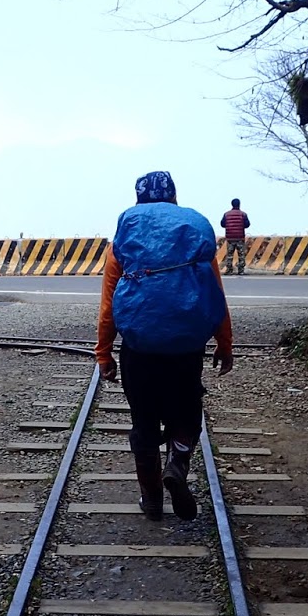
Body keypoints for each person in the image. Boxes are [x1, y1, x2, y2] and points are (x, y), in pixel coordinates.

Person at [95, 171, 234, 521]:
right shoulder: (192, 239)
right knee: (186, 413)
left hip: (139, 348)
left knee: (143, 422)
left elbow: (109, 306)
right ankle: (177, 463)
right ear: (173, 197)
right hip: (186, 348)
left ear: (138, 199)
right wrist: (224, 343)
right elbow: (215, 295)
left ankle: (152, 499)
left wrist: (104, 352)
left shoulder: (124, 242)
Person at [220, 198, 251, 274]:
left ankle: (229, 270)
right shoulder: (243, 214)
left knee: (229, 255)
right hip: (240, 237)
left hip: (230, 238)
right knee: (241, 255)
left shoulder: (226, 214)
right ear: (239, 204)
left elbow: (222, 224)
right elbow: (247, 224)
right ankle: (241, 271)